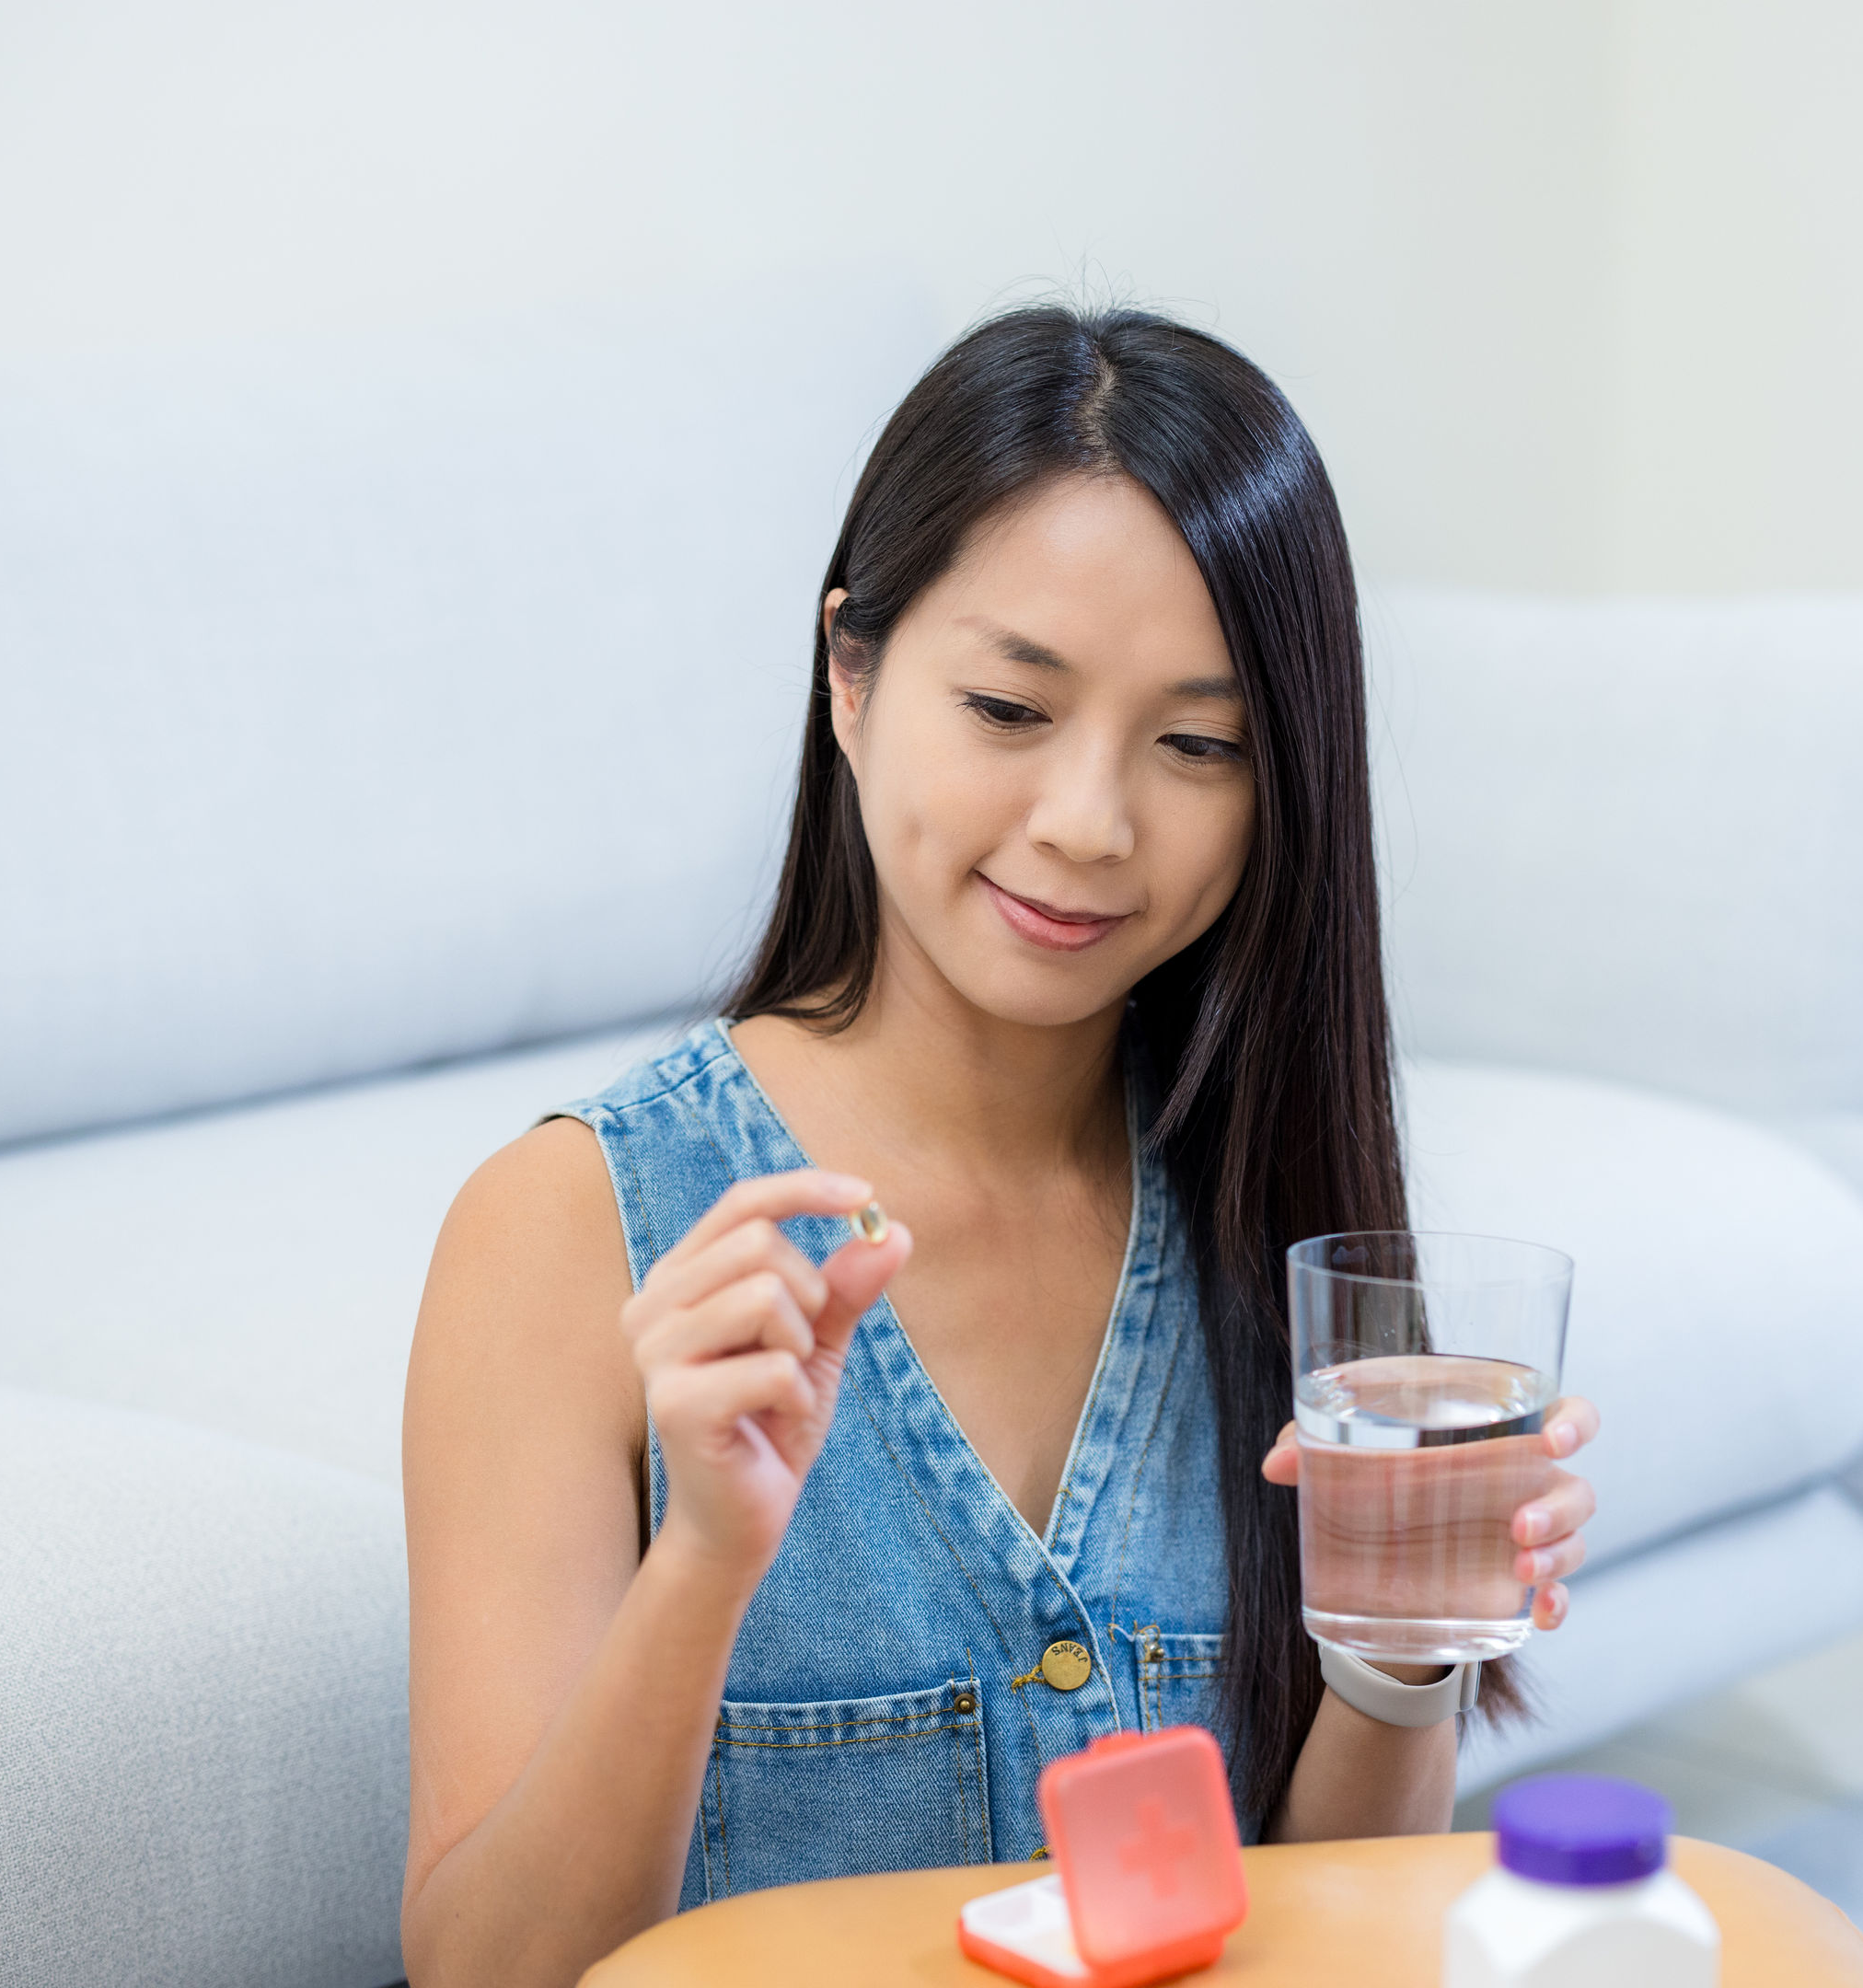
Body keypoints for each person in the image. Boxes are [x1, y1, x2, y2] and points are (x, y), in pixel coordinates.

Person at [395, 305, 1605, 1986]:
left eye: (1200, 745)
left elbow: (1335, 1926)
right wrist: (710, 1566)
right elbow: (487, 1969)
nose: (1090, 823)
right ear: (851, 671)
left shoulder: (1271, 1225)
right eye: (1010, 708)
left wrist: (1402, 1652)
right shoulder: (572, 1228)